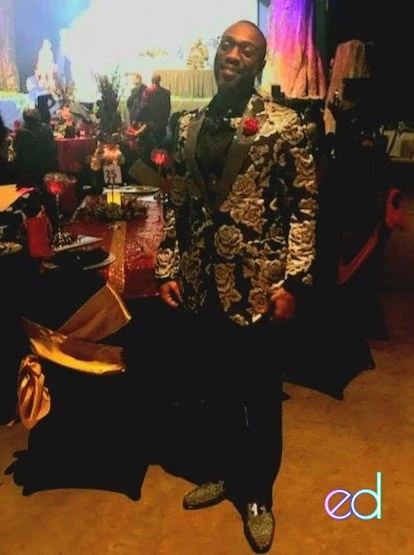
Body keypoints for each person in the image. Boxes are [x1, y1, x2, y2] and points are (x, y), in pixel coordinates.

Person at [154, 20, 318, 554]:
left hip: (257, 288)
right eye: (228, 45)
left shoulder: (284, 125)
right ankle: (227, 473)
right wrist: (168, 268)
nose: (233, 55)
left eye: (247, 50)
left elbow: (304, 207)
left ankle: (258, 496)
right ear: (216, 53)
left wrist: (295, 282)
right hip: (202, 285)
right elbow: (176, 203)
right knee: (216, 389)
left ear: (259, 64)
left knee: (260, 398)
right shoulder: (186, 125)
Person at [12, 108, 58, 187]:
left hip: (26, 170)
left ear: (25, 119)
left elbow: (15, 148)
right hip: (46, 167)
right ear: (38, 117)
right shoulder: (47, 129)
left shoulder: (21, 132)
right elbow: (53, 148)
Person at [135, 72, 171, 149]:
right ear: (159, 81)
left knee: (147, 146)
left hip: (150, 124)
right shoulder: (166, 92)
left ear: (152, 81)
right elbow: (168, 108)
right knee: (160, 145)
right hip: (162, 124)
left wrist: (137, 119)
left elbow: (143, 107)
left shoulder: (147, 91)